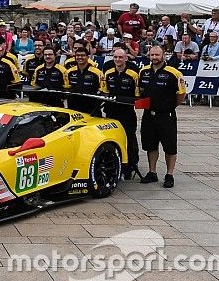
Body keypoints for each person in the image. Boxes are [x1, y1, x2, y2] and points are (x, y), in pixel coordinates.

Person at [138, 45, 186, 188]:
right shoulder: (143, 72)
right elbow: (140, 91)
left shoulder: (174, 73)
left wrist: (169, 107)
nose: (154, 58)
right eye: (152, 55)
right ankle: (152, 172)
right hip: (148, 116)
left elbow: (181, 95)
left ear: (163, 55)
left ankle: (169, 174)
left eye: (157, 55)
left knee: (170, 147)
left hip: (166, 116)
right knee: (150, 145)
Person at [101, 48, 141, 179]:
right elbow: (105, 92)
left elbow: (137, 97)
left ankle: (130, 165)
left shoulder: (133, 74)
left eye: (120, 57)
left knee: (129, 138)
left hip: (127, 113)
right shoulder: (108, 72)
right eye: (115, 57)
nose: (117, 60)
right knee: (112, 139)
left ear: (126, 59)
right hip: (111, 112)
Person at [65, 46, 104, 116]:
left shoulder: (97, 72)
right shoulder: (69, 72)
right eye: (78, 55)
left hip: (92, 109)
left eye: (83, 55)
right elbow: (66, 89)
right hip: (73, 108)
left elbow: (102, 91)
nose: (80, 57)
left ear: (88, 57)